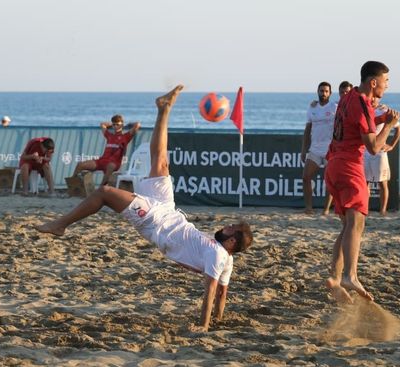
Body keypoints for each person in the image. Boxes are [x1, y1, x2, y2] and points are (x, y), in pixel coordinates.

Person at [35, 85, 254, 331]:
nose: (226, 226)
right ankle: (164, 108)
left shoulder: (217, 255)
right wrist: (220, 320)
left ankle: (60, 225)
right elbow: (223, 295)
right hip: (169, 211)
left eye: (230, 228)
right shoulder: (227, 260)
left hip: (156, 223)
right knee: (161, 161)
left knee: (105, 192)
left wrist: (204, 327)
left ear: (232, 241)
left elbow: (212, 291)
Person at [324, 61, 400, 303]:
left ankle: (335, 278)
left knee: (347, 226)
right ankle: (350, 275)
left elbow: (356, 123)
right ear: (374, 82)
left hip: (333, 166)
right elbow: (374, 147)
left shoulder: (349, 96)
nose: (387, 86)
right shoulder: (362, 103)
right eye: (386, 82)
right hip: (349, 167)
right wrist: (388, 124)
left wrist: (378, 118)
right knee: (357, 225)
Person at [71, 115, 141, 186]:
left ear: (122, 124)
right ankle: (72, 185)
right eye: (114, 125)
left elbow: (137, 125)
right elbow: (102, 125)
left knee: (110, 166)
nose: (115, 126)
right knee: (80, 165)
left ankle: (100, 189)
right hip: (102, 161)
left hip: (114, 163)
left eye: (118, 125)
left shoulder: (125, 137)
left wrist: (126, 125)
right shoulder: (109, 135)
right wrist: (112, 124)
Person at [364, 97, 400, 215]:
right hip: (365, 151)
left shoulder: (384, 111)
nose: (372, 100)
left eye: (374, 98)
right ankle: (365, 209)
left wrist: (391, 145)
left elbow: (399, 129)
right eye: (369, 98)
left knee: (382, 183)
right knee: (365, 182)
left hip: (380, 151)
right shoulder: (364, 111)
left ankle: (383, 210)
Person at [301, 82, 335, 215]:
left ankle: (326, 209)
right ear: (318, 92)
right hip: (314, 148)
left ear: (330, 93)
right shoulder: (312, 107)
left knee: (329, 180)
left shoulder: (335, 107)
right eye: (321, 91)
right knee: (306, 177)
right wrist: (304, 149)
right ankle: (309, 208)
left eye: (326, 91)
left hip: (330, 149)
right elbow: (307, 129)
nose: (324, 93)